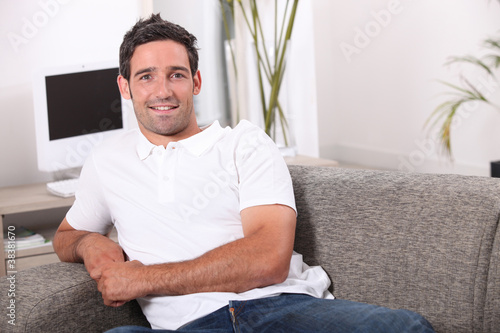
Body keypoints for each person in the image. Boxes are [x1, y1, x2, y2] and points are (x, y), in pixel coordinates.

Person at [53, 13, 435, 333]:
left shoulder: (244, 144)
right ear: (125, 87)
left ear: (196, 82)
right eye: (146, 76)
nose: (163, 91)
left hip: (281, 311)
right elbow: (67, 236)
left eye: (177, 74)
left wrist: (144, 279)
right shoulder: (107, 161)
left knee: (408, 328)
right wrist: (90, 245)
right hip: (187, 326)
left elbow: (268, 259)